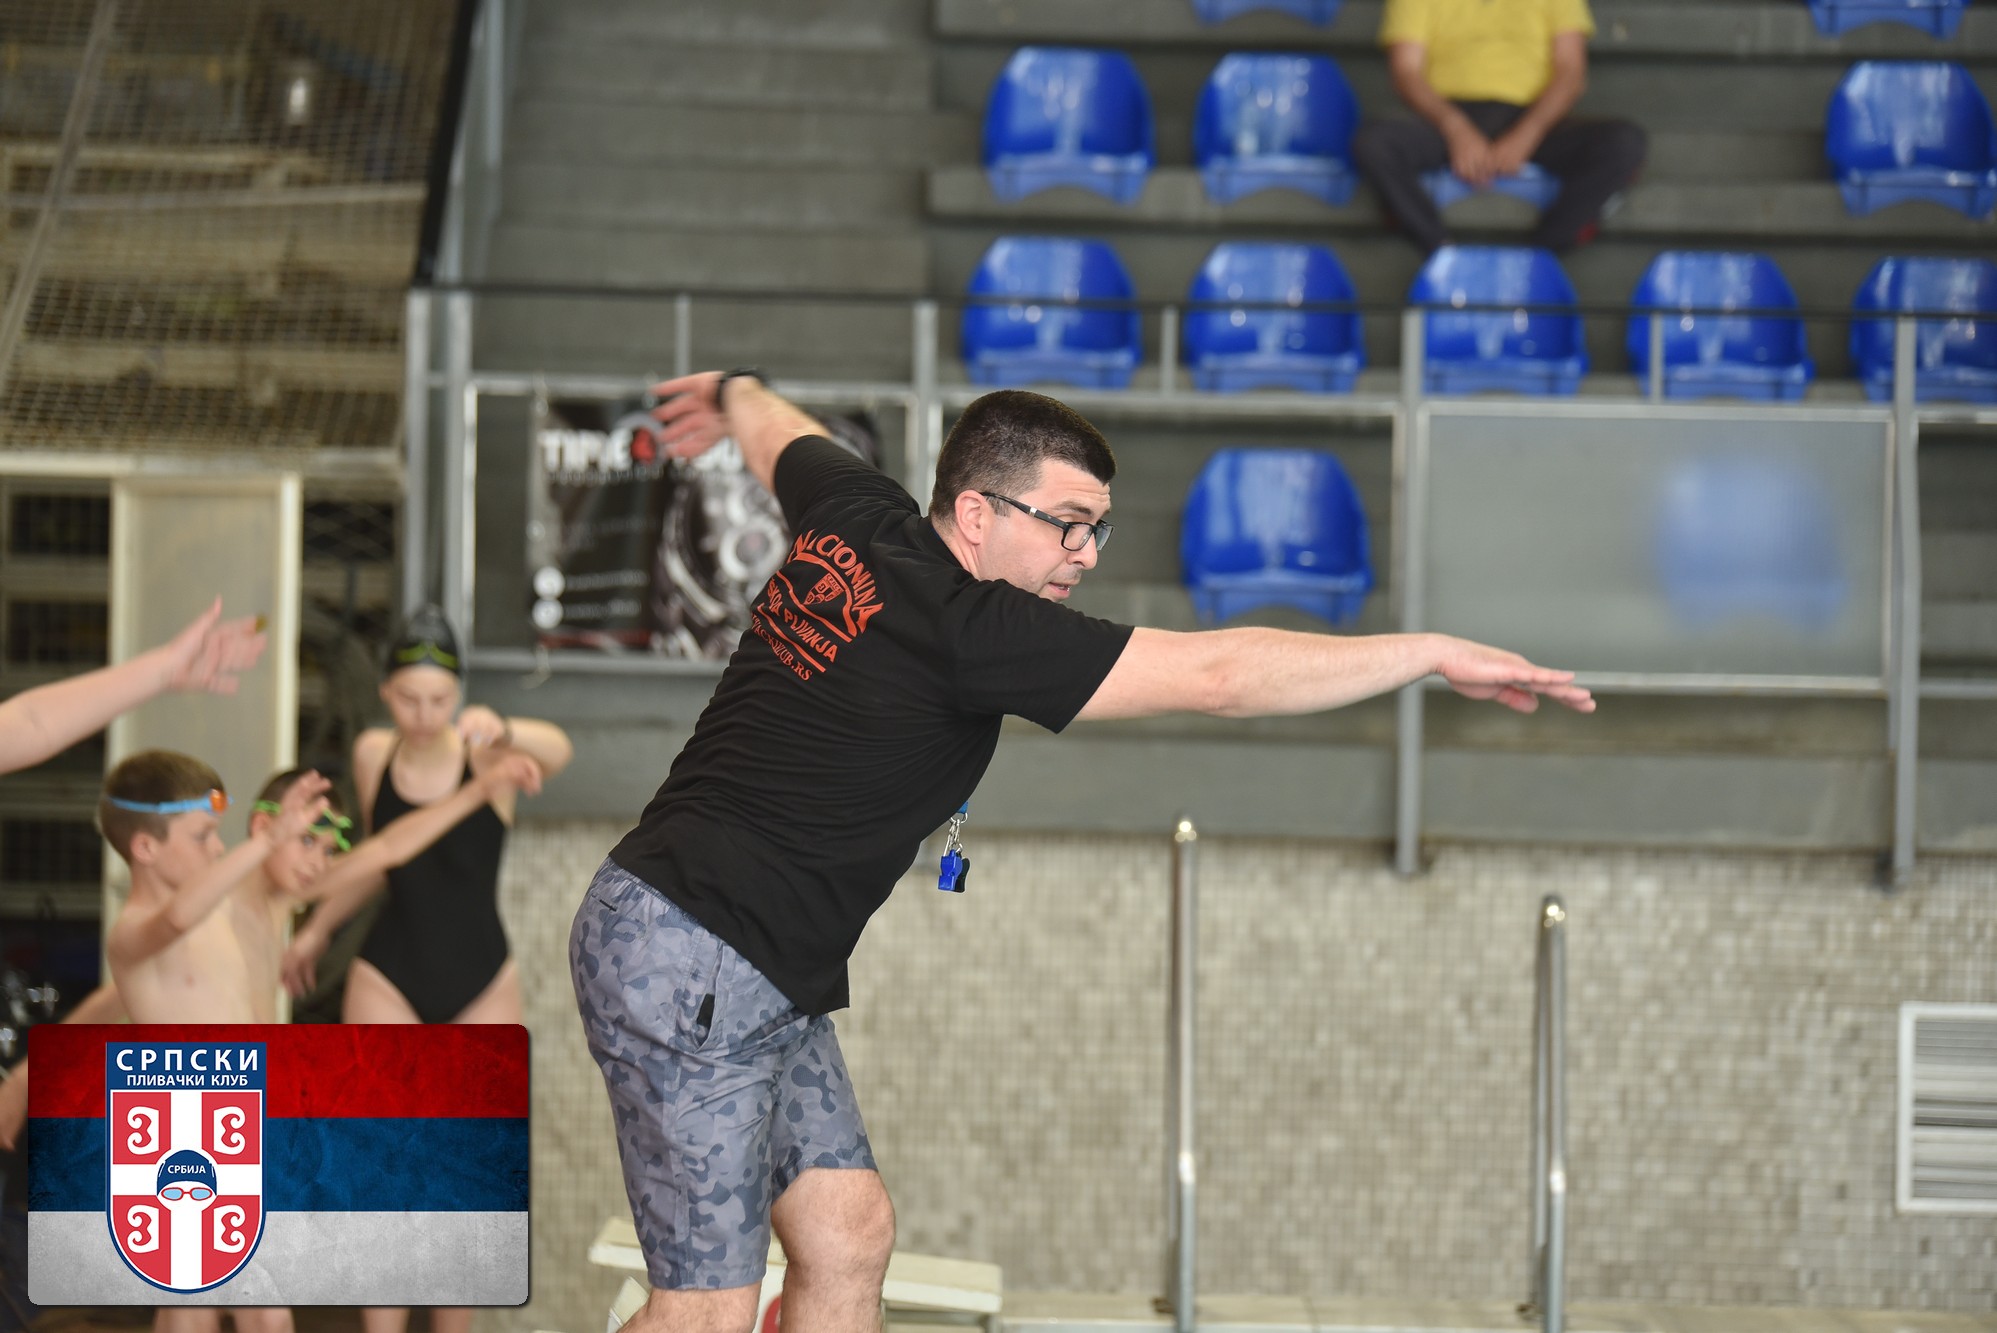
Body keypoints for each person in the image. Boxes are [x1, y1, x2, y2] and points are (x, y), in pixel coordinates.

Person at [570, 368, 1597, 1333]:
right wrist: (1427, 653)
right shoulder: (973, 628)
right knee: (705, 1310)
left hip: (740, 960)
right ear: (976, 512)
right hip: (692, 961)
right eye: (1065, 524)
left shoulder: (857, 511)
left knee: (847, 1237)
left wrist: (730, 391)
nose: (1085, 553)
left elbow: (781, 438)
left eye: (1096, 529)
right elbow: (1221, 676)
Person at [276, 608, 566, 1333]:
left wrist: (504, 726)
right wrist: (318, 927)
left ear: (459, 695)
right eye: (409, 698)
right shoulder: (374, 753)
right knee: (383, 1173)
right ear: (385, 692)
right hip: (389, 974)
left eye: (440, 699)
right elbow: (384, 856)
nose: (425, 714)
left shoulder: (488, 756)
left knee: (461, 1179)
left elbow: (559, 748)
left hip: (482, 981)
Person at [1349, 0, 1647, 255]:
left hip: (1535, 119)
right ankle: (1440, 250)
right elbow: (1406, 73)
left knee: (1623, 143)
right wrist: (1456, 128)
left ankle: (1538, 258)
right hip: (1444, 117)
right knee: (1374, 143)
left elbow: (1571, 74)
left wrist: (1527, 134)